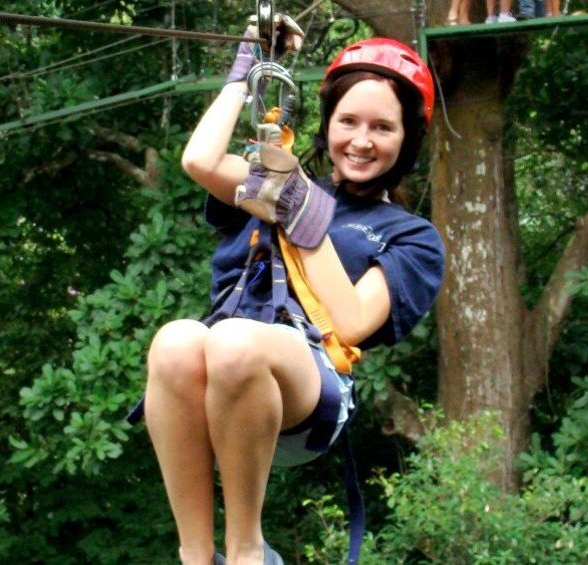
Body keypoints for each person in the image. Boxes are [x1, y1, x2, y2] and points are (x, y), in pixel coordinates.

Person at [142, 24, 446, 565]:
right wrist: (247, 68)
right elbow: (200, 162)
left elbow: (351, 323)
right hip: (222, 383)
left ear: (407, 140)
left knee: (235, 341)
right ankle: (195, 555)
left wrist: (298, 208)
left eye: (382, 127)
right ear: (327, 124)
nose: (361, 140)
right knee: (174, 341)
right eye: (348, 121)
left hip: (309, 385)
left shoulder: (410, 236)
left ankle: (245, 553)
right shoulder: (278, 177)